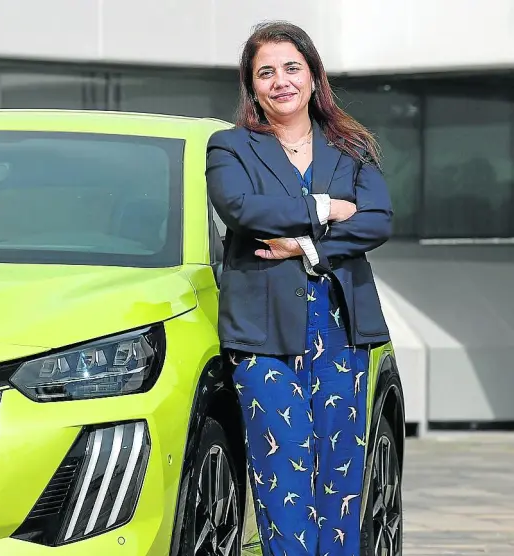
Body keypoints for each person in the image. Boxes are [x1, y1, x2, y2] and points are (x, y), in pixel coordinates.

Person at [205, 20, 393, 556]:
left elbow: (377, 220)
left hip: (341, 333)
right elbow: (242, 209)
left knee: (339, 484)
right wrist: (323, 210)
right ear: (252, 86)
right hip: (264, 337)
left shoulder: (351, 146)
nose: (280, 81)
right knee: (282, 474)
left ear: (313, 75)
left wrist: (305, 247)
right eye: (266, 72)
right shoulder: (231, 147)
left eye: (291, 67)